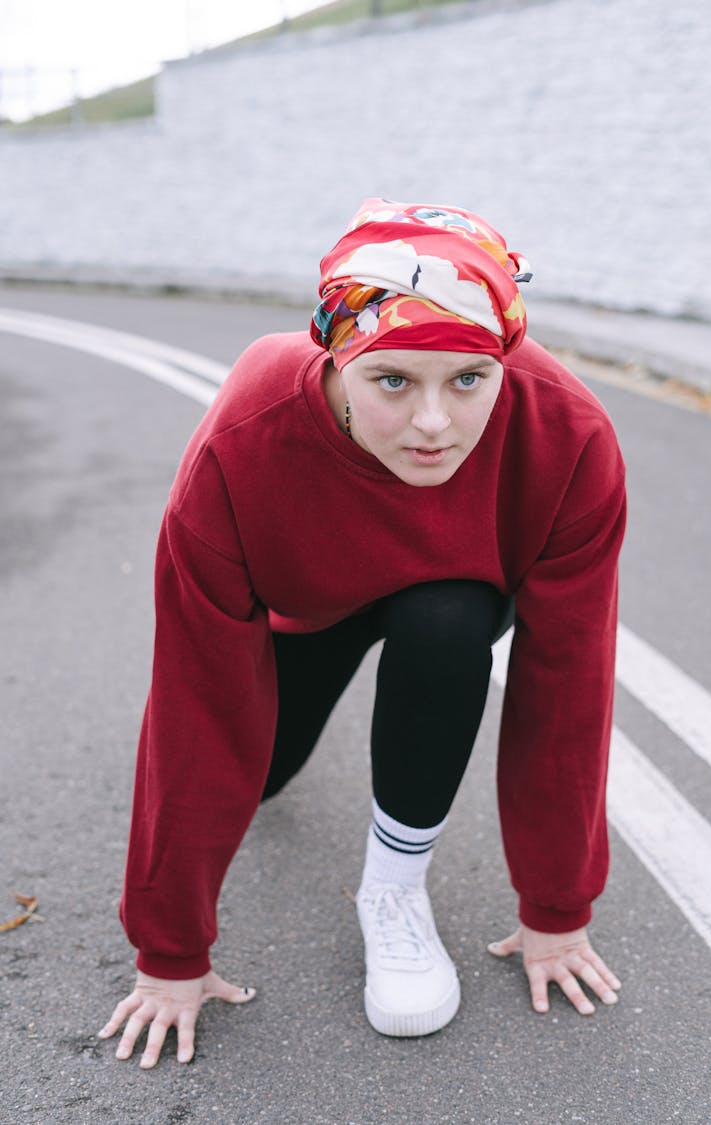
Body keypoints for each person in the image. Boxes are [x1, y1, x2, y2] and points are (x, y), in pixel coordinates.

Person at [98, 198, 626, 1068]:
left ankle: (393, 892)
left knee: (447, 618)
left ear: (505, 364)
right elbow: (197, 695)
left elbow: (569, 683)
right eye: (393, 382)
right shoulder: (241, 443)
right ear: (337, 356)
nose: (433, 423)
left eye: (468, 381)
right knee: (254, 776)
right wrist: (171, 953)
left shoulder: (567, 437)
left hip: (450, 599)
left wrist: (557, 909)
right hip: (302, 606)